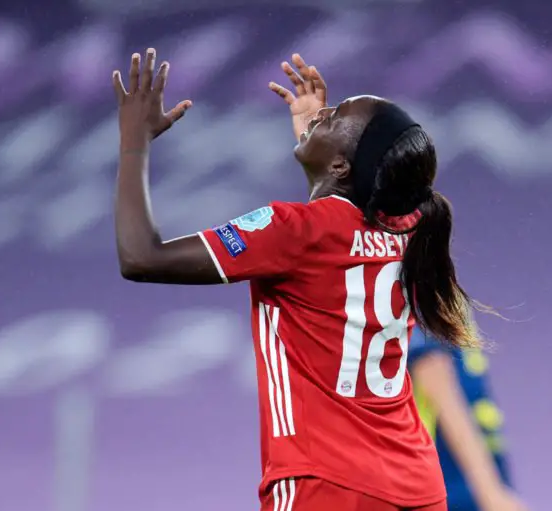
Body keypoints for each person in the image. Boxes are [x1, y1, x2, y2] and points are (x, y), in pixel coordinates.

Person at [112, 48, 478, 511]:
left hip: (323, 482)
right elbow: (341, 221)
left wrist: (133, 142)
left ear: (343, 166)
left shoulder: (291, 230)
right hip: (417, 487)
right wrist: (320, 144)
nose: (323, 112)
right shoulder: (409, 227)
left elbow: (140, 257)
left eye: (335, 117)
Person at [410, 314, 527, 511]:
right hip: (454, 486)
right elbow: (437, 384)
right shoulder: (419, 300)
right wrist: (491, 492)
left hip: (466, 484)